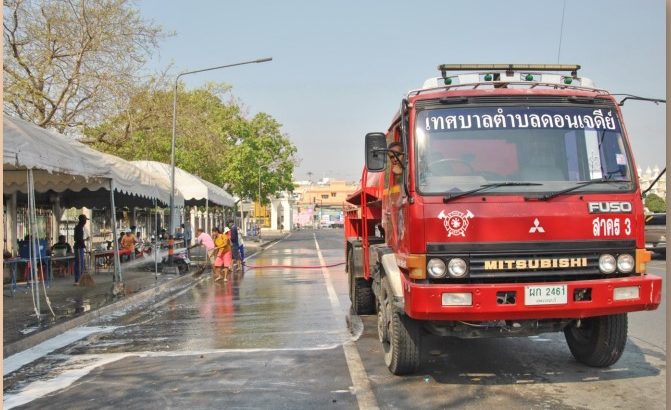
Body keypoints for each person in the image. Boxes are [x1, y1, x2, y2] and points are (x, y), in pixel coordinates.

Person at [73, 214, 88, 285]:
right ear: (82, 220)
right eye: (85, 220)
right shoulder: (78, 228)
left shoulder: (80, 228)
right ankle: (78, 280)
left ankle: (80, 279)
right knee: (79, 264)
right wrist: (84, 244)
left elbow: (79, 239)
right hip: (78, 247)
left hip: (80, 247)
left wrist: (84, 241)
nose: (86, 222)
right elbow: (77, 239)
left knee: (81, 264)